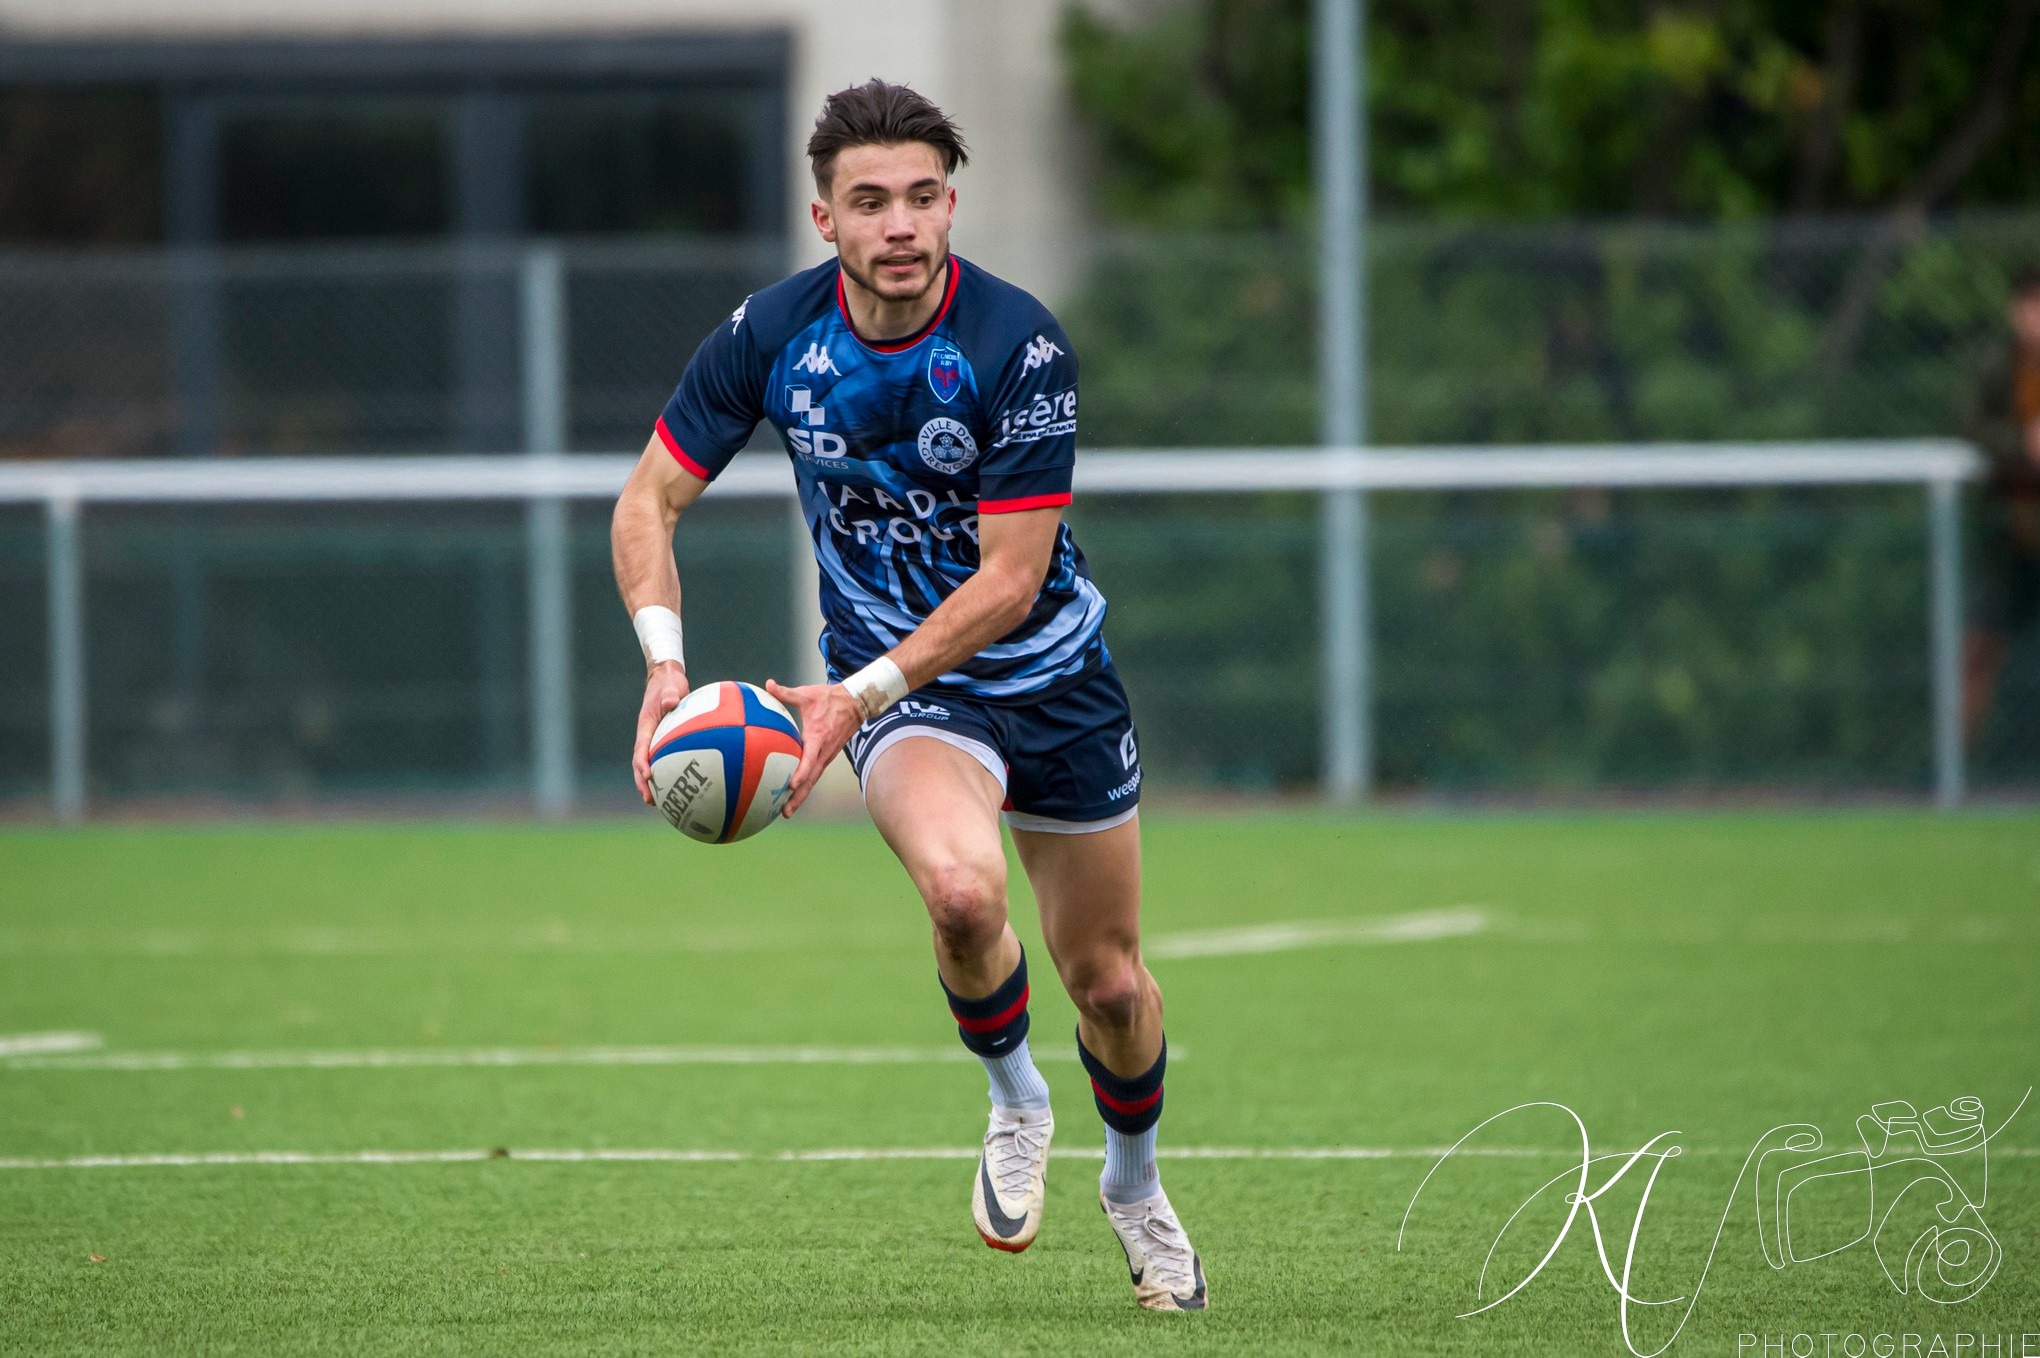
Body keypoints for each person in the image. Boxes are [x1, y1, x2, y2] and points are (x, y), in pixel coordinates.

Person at [608, 79, 1206, 1312]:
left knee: (1108, 982)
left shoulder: (1015, 343)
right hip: (912, 703)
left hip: (1053, 686)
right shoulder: (771, 336)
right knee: (958, 889)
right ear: (823, 217)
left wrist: (845, 696)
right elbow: (647, 499)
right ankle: (1016, 1100)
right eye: (869, 201)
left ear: (950, 205)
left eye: (923, 197)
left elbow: (1011, 579)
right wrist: (666, 662)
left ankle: (1137, 1186)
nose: (901, 225)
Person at [1961, 265, 2040, 747]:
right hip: (2012, 533)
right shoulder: (1997, 365)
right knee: (1979, 649)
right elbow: (1969, 425)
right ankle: (1951, 773)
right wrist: (2024, 445)